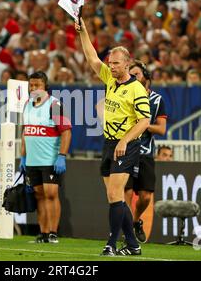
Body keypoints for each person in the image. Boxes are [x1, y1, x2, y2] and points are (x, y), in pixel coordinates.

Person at [75, 18, 151, 256]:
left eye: (116, 63)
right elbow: (91, 58)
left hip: (125, 145)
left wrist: (125, 140)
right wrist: (84, 31)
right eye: (111, 63)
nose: (112, 66)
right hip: (109, 143)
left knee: (113, 194)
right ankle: (133, 245)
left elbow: (145, 121)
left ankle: (111, 243)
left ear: (127, 64)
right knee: (115, 198)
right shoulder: (110, 79)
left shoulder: (136, 88)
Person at [20, 71, 72, 244]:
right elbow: (25, 132)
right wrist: (23, 157)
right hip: (32, 160)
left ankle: (53, 232)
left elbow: (66, 132)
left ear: (45, 86)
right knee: (39, 195)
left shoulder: (54, 105)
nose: (33, 88)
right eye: (31, 85)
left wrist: (62, 156)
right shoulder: (27, 104)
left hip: (49, 159)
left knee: (51, 194)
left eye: (37, 85)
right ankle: (42, 233)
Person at [124, 61, 167, 243]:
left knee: (145, 196)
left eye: (137, 75)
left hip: (145, 152)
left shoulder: (157, 100)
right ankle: (127, 234)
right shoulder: (125, 96)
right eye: (131, 75)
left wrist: (144, 125)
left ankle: (135, 220)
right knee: (125, 193)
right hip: (126, 150)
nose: (133, 78)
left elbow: (162, 129)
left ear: (146, 78)